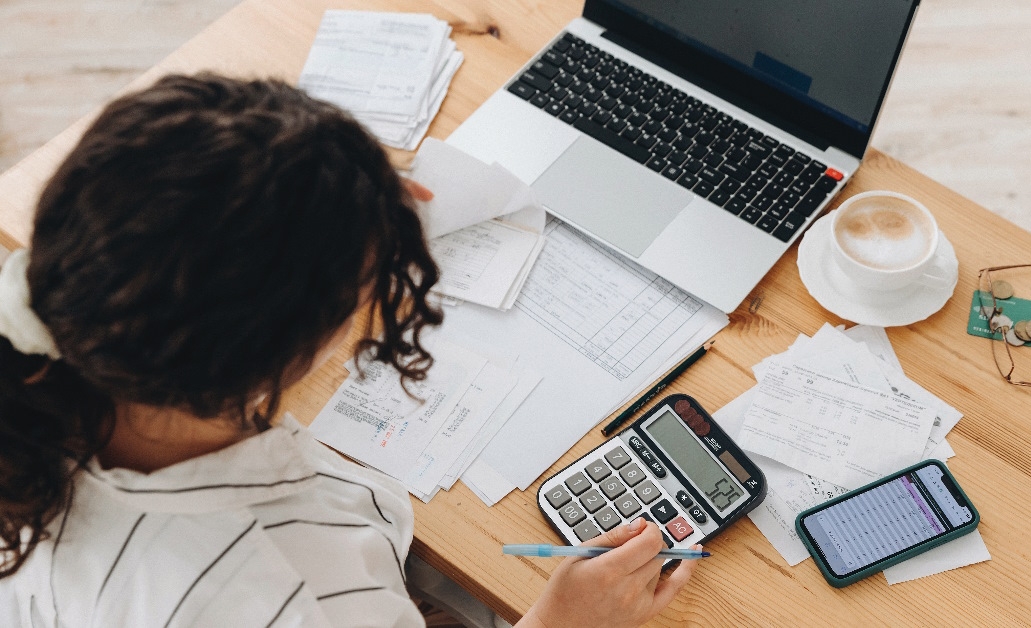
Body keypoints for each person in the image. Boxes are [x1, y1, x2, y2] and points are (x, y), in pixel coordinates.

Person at [0, 74, 696, 627]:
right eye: (369, 284)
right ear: (283, 352)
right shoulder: (296, 593)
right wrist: (561, 621)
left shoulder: (61, 354)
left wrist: (350, 195)